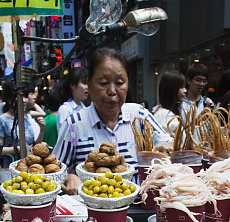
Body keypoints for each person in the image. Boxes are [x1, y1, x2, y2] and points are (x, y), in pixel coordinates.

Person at [53, 48, 173, 194]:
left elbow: (166, 143)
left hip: (139, 208)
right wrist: (69, 177)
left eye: (120, 83)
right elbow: (55, 171)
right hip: (91, 213)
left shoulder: (139, 115)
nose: (112, 91)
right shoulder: (74, 124)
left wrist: (167, 146)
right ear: (89, 85)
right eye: (103, 83)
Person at [0, 81, 44, 158]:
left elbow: (34, 144)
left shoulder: (25, 117)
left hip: (29, 164)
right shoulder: (2, 120)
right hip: (11, 166)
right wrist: (20, 149)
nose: (24, 100)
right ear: (9, 99)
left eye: (25, 96)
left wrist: (42, 129)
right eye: (19, 96)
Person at [152, 69, 186, 135]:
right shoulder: (164, 115)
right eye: (181, 87)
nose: (185, 90)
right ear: (172, 90)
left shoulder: (167, 113)